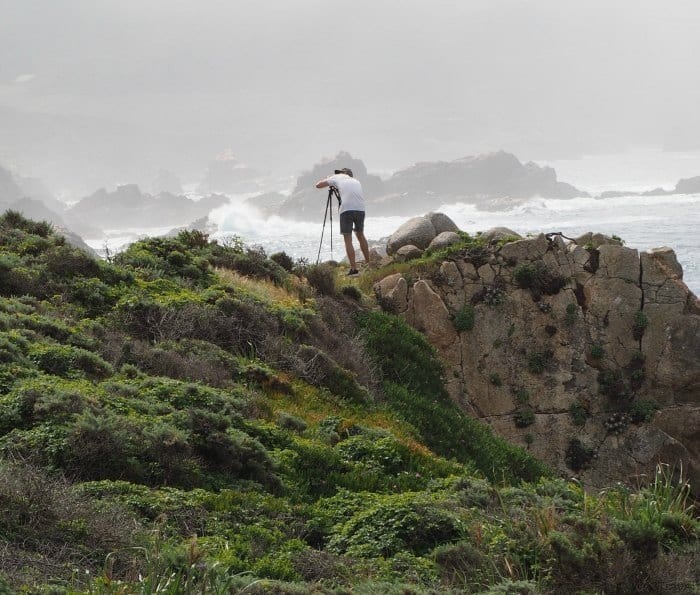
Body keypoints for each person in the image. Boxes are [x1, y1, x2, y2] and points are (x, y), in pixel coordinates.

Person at [315, 167, 370, 276]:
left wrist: (328, 178)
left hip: (346, 210)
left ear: (343, 173)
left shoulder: (337, 177)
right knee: (360, 235)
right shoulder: (356, 181)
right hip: (360, 209)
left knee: (347, 239)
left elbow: (318, 185)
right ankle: (369, 264)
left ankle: (353, 269)